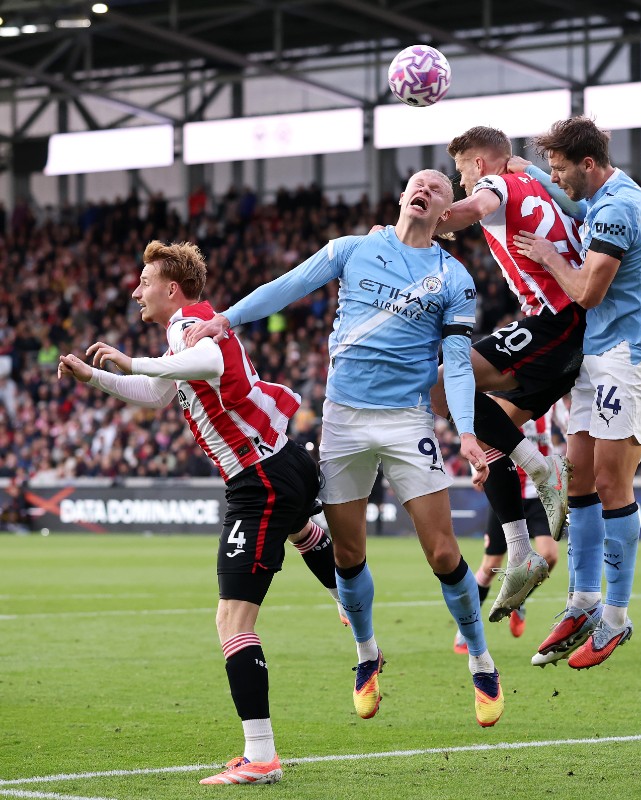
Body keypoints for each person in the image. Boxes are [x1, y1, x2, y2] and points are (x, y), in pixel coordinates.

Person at [182, 170, 504, 728]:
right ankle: (366, 655)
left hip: (407, 421)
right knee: (348, 555)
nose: (426, 188)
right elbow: (289, 284)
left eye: (439, 187)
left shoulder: (454, 278)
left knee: (444, 554)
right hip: (345, 421)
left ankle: (481, 660)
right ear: (403, 195)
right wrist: (223, 320)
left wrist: (468, 432)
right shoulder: (354, 249)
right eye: (418, 182)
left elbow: (455, 360)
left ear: (447, 212)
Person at [58, 240, 342, 785]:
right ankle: (349, 599)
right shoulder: (187, 327)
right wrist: (94, 378)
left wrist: (132, 359)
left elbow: (206, 360)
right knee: (302, 530)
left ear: (170, 289)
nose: (136, 290)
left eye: (144, 282)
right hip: (279, 463)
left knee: (232, 620)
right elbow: (157, 392)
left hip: (259, 476)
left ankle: (261, 757)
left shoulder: (191, 321)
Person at [512, 116, 641, 670]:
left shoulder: (620, 207)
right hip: (599, 356)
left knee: (609, 481)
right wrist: (527, 170)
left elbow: (586, 290)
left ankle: (616, 617)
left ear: (587, 164)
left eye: (559, 168)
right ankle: (582, 600)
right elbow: (573, 205)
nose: (556, 178)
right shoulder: (604, 194)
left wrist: (547, 255)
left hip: (629, 356)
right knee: (577, 475)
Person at [433, 125, 579, 624]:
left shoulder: (492, 185)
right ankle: (519, 552)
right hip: (571, 332)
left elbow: (472, 209)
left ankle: (544, 470)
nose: (459, 180)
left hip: (555, 321)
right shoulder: (538, 184)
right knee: (490, 427)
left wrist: (418, 223)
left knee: (442, 384)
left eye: (459, 170)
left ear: (478, 164)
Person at [453, 409, 563, 653]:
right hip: (507, 491)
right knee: (490, 565)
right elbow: (485, 430)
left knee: (550, 556)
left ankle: (518, 599)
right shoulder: (508, 401)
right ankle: (466, 626)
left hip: (537, 495)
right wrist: (478, 470)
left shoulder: (551, 401)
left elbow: (564, 429)